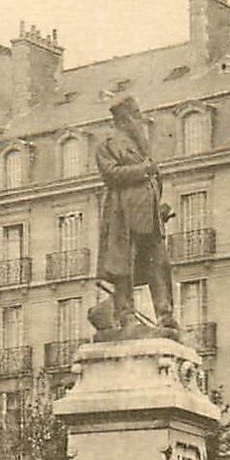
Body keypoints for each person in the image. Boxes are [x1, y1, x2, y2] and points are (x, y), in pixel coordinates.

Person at [92, 94, 176, 335]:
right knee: (123, 266)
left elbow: (154, 181)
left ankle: (165, 315)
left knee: (159, 264)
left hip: (149, 217)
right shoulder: (109, 145)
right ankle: (125, 314)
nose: (140, 121)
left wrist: (159, 207)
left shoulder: (143, 148)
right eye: (136, 117)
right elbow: (110, 174)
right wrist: (143, 170)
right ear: (125, 119)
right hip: (124, 215)